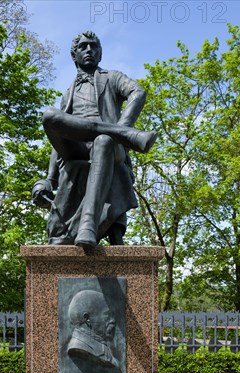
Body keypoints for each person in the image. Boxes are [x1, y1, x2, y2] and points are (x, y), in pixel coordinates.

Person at [33, 30, 157, 248]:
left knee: (103, 141)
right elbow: (59, 141)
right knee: (50, 116)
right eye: (83, 46)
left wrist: (123, 125)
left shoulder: (112, 77)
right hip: (77, 148)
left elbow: (138, 92)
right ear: (74, 55)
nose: (89, 50)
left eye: (93, 46)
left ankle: (87, 225)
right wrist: (48, 180)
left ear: (100, 54)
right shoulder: (68, 94)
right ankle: (122, 135)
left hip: (109, 149)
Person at [67, 290, 119, 369]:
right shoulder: (78, 347)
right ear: (87, 318)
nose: (113, 320)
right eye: (107, 314)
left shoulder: (100, 345)